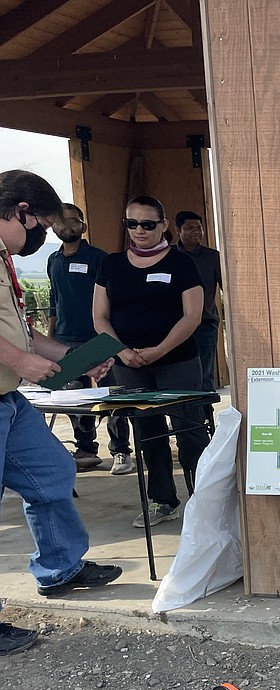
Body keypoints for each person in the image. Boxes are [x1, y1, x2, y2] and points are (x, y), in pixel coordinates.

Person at [0, 169, 122, 655]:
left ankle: (60, 569)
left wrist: (77, 356)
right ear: (20, 211)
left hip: (9, 402)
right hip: (6, 387)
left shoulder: (4, 260)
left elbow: (24, 335)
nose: (40, 239)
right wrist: (21, 362)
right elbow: (16, 350)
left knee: (52, 470)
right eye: (40, 228)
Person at [93, 196, 209, 529]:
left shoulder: (182, 263)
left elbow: (192, 315)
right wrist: (120, 350)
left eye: (147, 224)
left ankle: (205, 501)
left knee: (190, 431)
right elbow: (100, 316)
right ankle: (162, 500)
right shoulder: (111, 264)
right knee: (147, 431)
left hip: (178, 361)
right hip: (128, 363)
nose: (139, 231)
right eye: (132, 223)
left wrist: (160, 349)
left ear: (163, 226)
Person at [47, 203, 134, 475]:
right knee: (74, 398)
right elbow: (54, 299)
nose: (67, 226)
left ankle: (121, 450)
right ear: (53, 226)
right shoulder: (53, 260)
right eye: (61, 221)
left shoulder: (98, 258)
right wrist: (50, 335)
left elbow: (114, 297)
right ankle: (86, 448)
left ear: (83, 227)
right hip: (65, 339)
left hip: (98, 338)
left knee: (112, 395)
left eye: (73, 221)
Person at [172, 210, 223, 399]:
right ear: (178, 230)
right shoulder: (169, 255)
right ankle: (183, 415)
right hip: (173, 326)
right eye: (190, 228)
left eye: (199, 228)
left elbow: (226, 286)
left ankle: (206, 416)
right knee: (177, 373)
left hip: (205, 323)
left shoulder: (212, 257)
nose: (196, 231)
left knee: (205, 373)